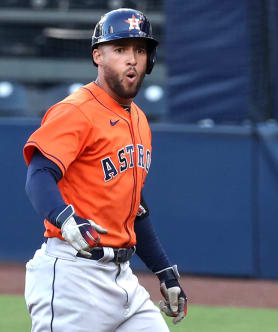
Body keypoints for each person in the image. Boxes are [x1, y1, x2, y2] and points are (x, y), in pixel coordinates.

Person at [22, 8, 187, 332]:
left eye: (140, 50)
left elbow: (135, 208)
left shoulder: (138, 120)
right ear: (98, 55)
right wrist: (64, 217)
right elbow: (39, 173)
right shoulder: (76, 110)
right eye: (121, 49)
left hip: (122, 281)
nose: (132, 59)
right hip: (73, 277)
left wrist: (164, 270)